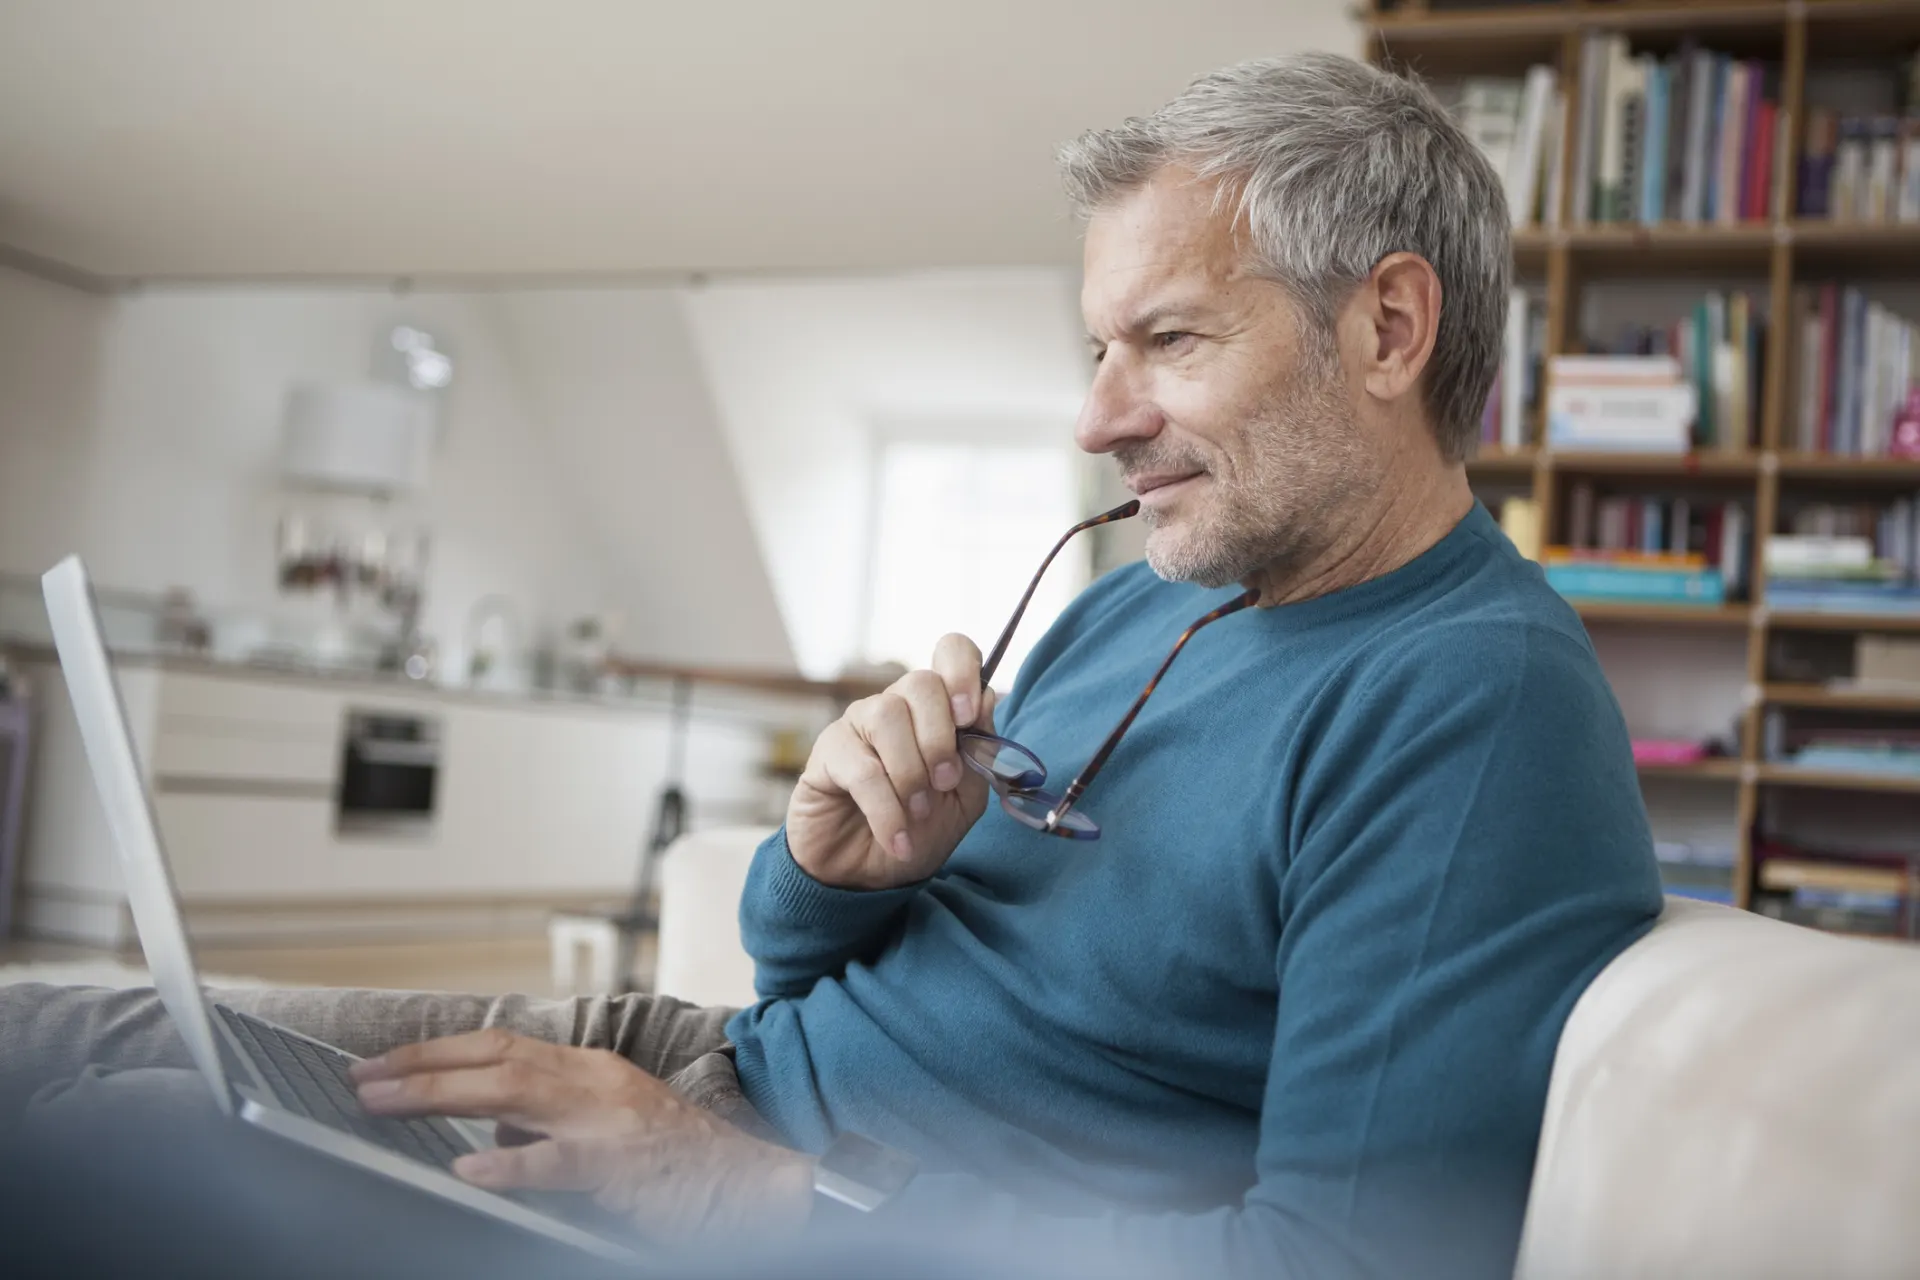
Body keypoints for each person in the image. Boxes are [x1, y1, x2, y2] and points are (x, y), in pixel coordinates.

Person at [0, 52, 1662, 1279]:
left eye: (1168, 340)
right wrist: (826, 872)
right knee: (61, 1041)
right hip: (690, 1068)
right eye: (1098, 346)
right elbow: (809, 982)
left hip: (784, 1215)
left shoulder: (1474, 707)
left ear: (1386, 329)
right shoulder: (1140, 597)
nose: (1096, 415)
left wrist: (757, 1205)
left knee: (107, 1144)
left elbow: (1348, 1266)